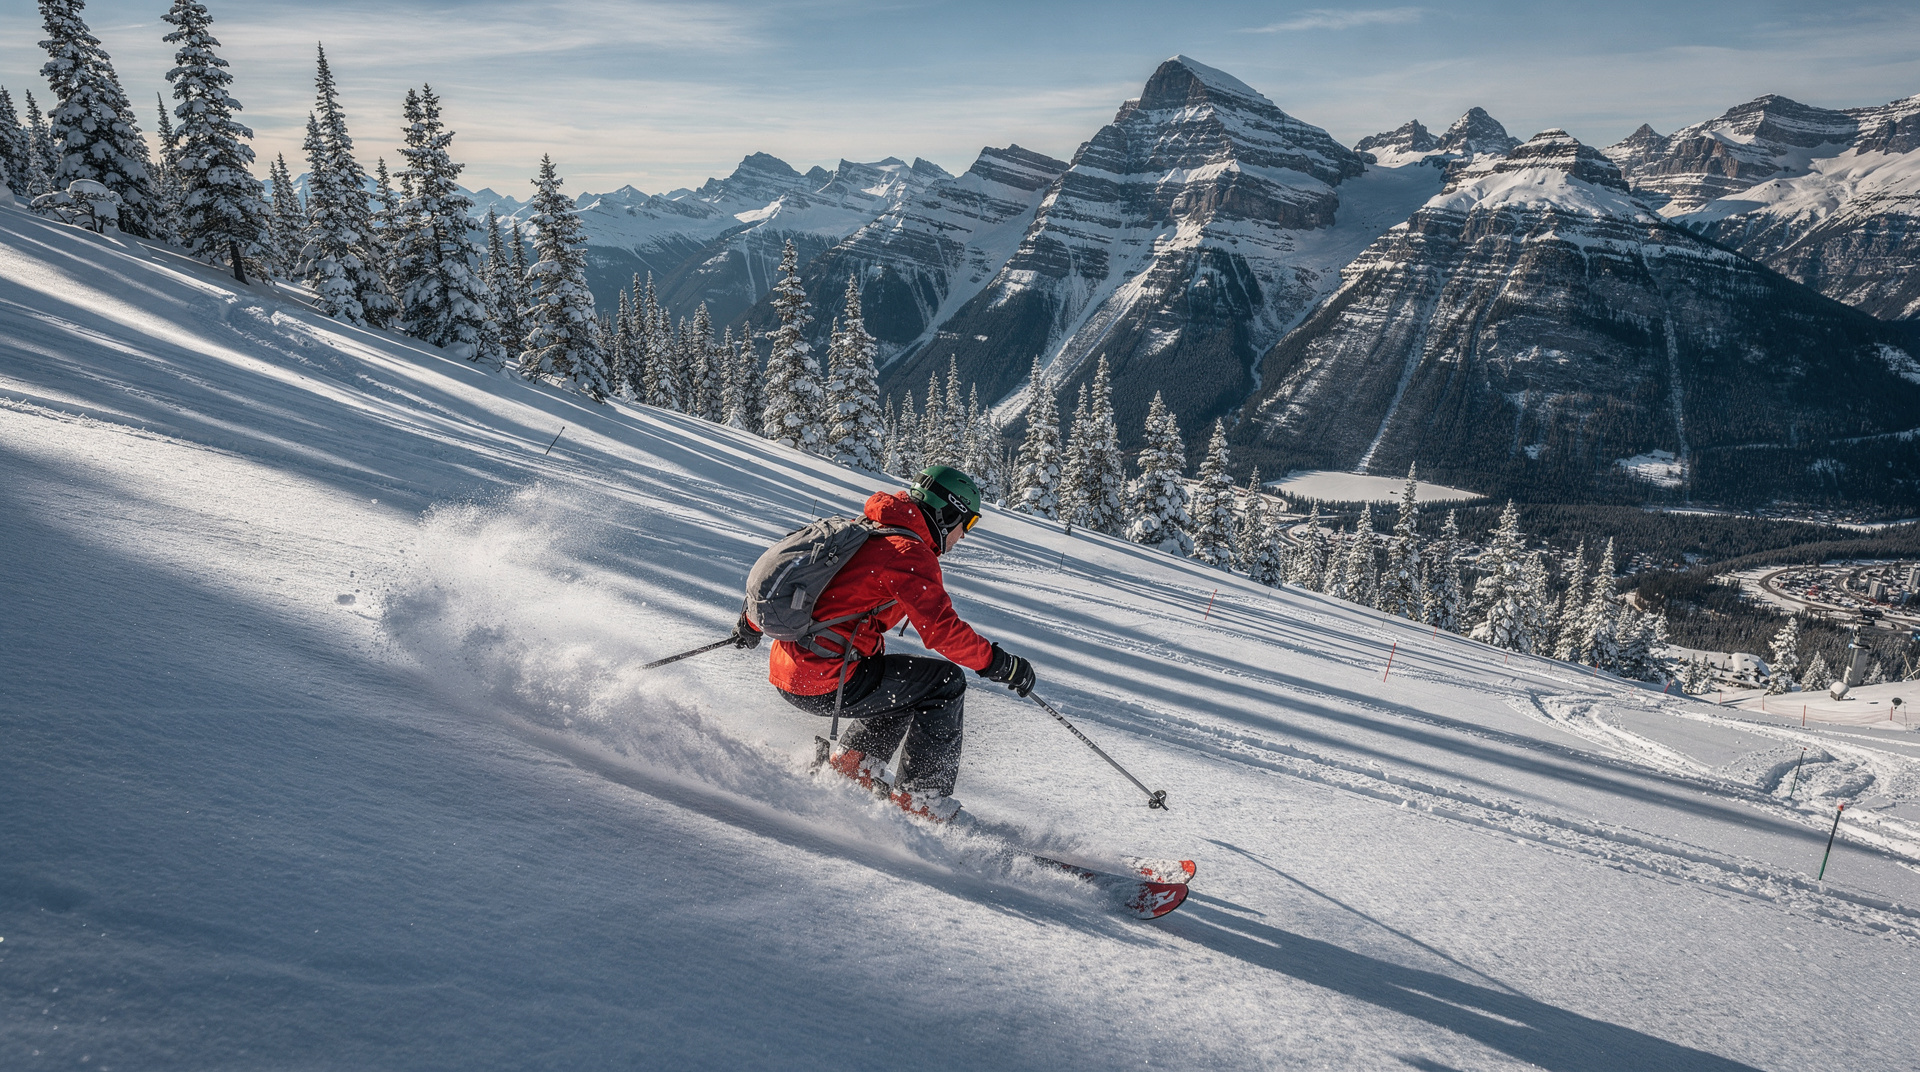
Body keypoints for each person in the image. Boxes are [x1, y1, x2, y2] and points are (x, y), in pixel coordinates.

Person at [731, 465, 1036, 822]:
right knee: (943, 684)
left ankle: (853, 764)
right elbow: (942, 630)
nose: (964, 536)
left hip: (793, 666)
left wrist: (751, 623)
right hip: (825, 677)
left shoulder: (869, 530)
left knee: (905, 684)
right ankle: (923, 801)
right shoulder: (906, 551)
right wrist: (999, 664)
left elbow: (810, 583)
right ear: (947, 512)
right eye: (967, 524)